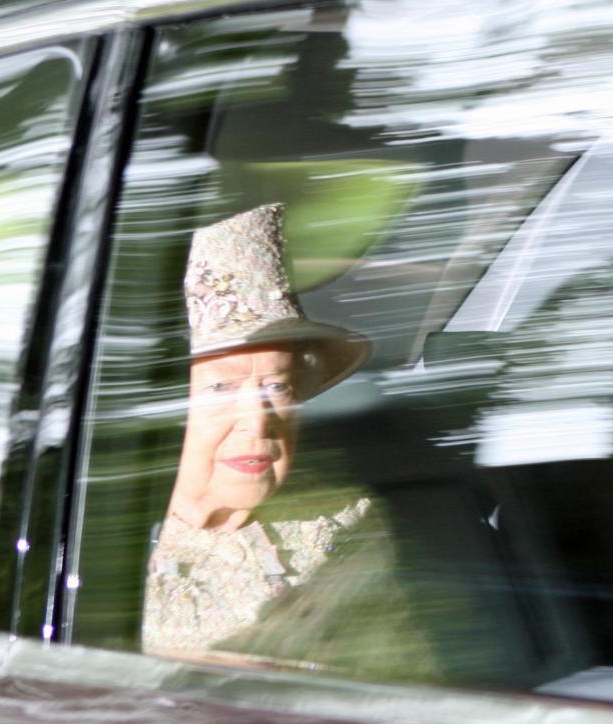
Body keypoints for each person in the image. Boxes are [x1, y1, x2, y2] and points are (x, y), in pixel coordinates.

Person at [141, 203, 443, 679]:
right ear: (162, 408)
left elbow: (406, 688)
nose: (258, 425)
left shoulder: (344, 521)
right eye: (220, 389)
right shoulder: (77, 524)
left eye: (277, 387)